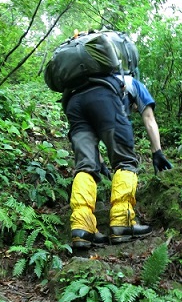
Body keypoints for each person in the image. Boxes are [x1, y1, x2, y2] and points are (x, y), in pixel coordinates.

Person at [62, 70, 172, 249]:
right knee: (125, 161)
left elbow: (91, 139)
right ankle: (123, 222)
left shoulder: (83, 81)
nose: (134, 110)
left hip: (74, 102)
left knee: (85, 167)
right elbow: (149, 119)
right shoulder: (134, 84)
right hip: (104, 100)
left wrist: (101, 163)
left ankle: (82, 228)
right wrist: (157, 152)